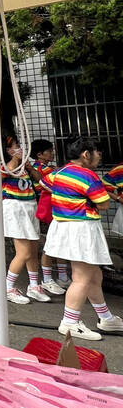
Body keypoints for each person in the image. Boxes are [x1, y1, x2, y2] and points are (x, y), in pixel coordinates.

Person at [44, 135, 123, 341]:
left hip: (64, 227)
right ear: (86, 154)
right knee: (81, 278)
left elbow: (44, 183)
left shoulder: (58, 172)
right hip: (82, 230)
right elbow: (104, 204)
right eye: (97, 153)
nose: (100, 157)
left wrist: (69, 198)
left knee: (94, 275)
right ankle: (69, 323)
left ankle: (106, 318)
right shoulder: (88, 176)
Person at [1, 142, 51, 304]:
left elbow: (41, 180)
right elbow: (4, 173)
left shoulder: (25, 166)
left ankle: (34, 285)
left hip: (30, 206)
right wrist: (16, 158)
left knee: (33, 249)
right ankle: (8, 288)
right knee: (23, 252)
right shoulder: (4, 164)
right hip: (15, 208)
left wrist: (29, 167)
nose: (20, 149)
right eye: (15, 147)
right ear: (7, 151)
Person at [29, 138, 69, 296]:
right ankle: (48, 280)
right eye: (49, 151)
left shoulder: (44, 167)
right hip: (47, 209)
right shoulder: (41, 168)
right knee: (51, 244)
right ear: (39, 154)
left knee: (59, 243)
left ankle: (62, 277)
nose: (52, 153)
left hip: (52, 208)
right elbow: (51, 181)